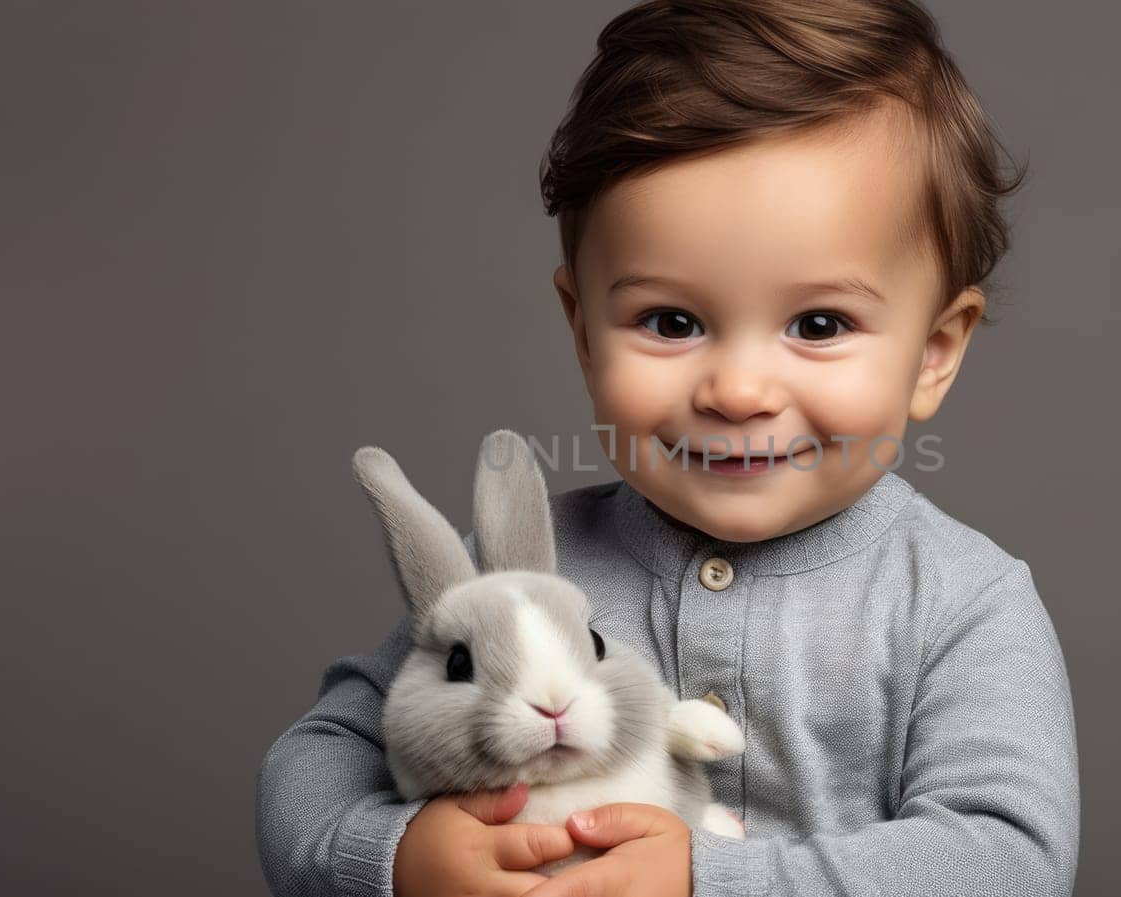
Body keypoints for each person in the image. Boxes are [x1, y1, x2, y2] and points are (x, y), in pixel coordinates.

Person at [255, 1, 1079, 895]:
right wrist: (396, 854)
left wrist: (711, 878)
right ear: (584, 331)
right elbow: (317, 758)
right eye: (672, 321)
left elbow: (1007, 860)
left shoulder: (961, 603)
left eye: (818, 323)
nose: (736, 390)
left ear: (933, 353)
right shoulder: (521, 582)